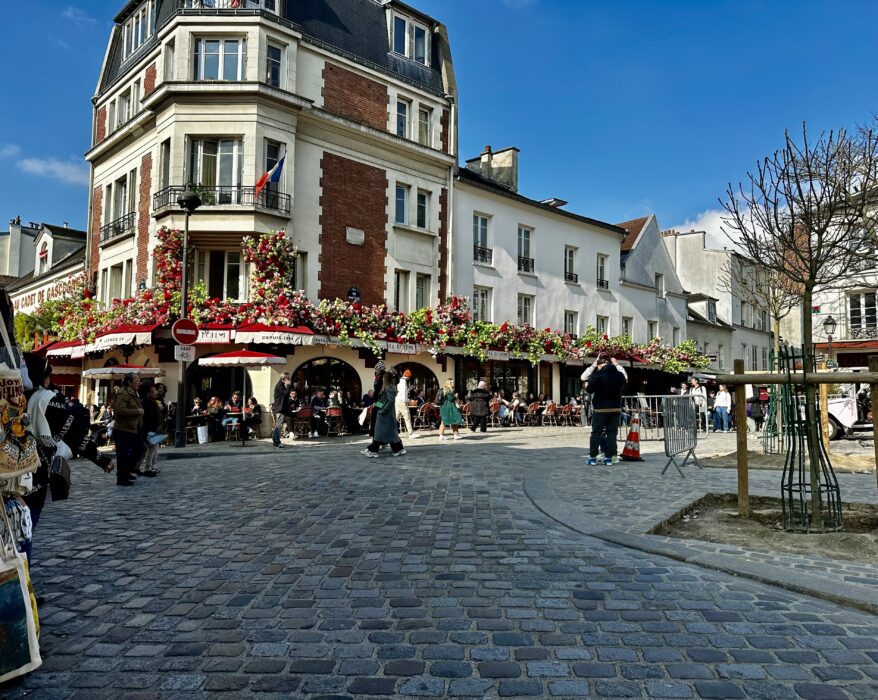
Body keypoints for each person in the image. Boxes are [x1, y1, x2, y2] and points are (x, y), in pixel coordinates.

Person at [581, 354, 627, 466]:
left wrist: (593, 366)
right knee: (612, 434)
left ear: (599, 365)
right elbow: (625, 377)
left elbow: (587, 384)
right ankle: (608, 458)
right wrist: (617, 364)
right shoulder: (619, 375)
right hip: (615, 408)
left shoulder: (598, 375)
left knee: (596, 433)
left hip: (600, 409)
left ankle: (592, 457)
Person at [361, 370, 406, 457]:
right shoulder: (387, 388)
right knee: (390, 433)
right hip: (385, 413)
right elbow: (383, 401)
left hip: (385, 414)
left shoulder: (388, 387)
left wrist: (383, 410)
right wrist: (376, 405)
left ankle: (373, 450)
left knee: (380, 433)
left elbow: (390, 401)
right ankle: (398, 449)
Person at [113, 372, 145, 486]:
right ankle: (122, 477)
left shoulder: (134, 393)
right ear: (129, 382)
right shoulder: (123, 393)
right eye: (136, 381)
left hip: (133, 428)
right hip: (123, 429)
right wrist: (137, 411)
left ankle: (126, 472)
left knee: (140, 449)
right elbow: (119, 410)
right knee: (123, 455)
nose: (139, 383)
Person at [138, 383, 161, 478]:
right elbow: (146, 419)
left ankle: (143, 467)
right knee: (150, 448)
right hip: (148, 429)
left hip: (153, 429)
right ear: (148, 393)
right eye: (153, 392)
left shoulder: (153, 402)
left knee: (151, 448)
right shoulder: (145, 403)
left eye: (155, 391)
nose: (155, 393)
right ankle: (147, 468)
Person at [395, 369, 420, 440]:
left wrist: (409, 389)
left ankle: (391, 432)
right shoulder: (403, 382)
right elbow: (403, 393)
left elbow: (402, 391)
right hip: (402, 402)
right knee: (407, 417)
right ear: (408, 376)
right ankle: (411, 433)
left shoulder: (400, 381)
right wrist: (408, 401)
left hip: (397, 401)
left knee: (396, 418)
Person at [271, 372, 291, 448]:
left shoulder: (282, 385)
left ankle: (276, 441)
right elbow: (285, 394)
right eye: (288, 378)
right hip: (280, 408)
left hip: (282, 408)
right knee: (278, 426)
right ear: (283, 379)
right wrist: (288, 386)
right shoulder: (279, 386)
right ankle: (276, 442)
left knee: (278, 426)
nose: (289, 380)